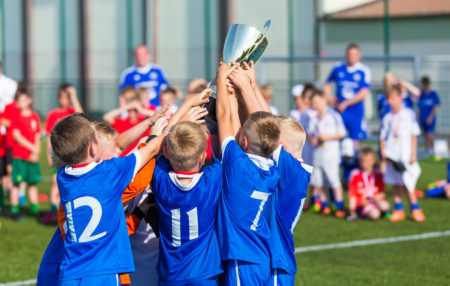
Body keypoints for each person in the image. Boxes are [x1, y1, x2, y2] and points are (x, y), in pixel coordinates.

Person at [37, 116, 167, 286]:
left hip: (70, 273)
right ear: (93, 148)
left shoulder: (64, 177)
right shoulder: (109, 173)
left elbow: (119, 147)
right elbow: (149, 152)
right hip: (103, 271)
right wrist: (157, 134)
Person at [215, 62, 281, 285]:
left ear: (243, 141)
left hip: (242, 259)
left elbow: (223, 116)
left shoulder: (238, 166)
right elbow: (266, 125)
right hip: (261, 256)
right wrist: (245, 87)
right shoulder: (272, 169)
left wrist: (222, 77)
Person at [151, 121, 223, 285]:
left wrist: (156, 135)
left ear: (166, 152)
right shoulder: (210, 181)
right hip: (203, 274)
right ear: (202, 157)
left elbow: (155, 154)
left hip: (171, 274)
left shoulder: (160, 179)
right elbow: (218, 157)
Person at [270, 116, 312, 285]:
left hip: (277, 261)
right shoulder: (294, 170)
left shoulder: (293, 173)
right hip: (277, 259)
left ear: (280, 147)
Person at [380, 85, 425, 223]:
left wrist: (413, 154)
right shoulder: (387, 117)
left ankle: (415, 209)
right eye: (388, 98)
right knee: (395, 183)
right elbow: (383, 136)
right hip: (391, 155)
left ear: (400, 98)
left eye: (393, 98)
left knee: (408, 184)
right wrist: (383, 153)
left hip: (405, 155)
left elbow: (414, 134)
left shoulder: (408, 114)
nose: (390, 101)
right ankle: (399, 209)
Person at [40, 84, 83, 224]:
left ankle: (68, 212)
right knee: (55, 182)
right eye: (63, 97)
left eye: (67, 98)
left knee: (71, 183)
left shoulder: (72, 111)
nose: (65, 101)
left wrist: (74, 97)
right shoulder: (54, 114)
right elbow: (49, 136)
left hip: (71, 154)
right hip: (57, 154)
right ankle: (54, 212)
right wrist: (48, 154)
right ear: (58, 98)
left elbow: (82, 116)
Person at [323, 43, 371, 149]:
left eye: (354, 54)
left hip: (355, 111)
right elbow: (327, 84)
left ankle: (355, 163)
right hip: (339, 110)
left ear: (359, 56)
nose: (351, 57)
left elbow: (364, 92)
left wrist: (347, 103)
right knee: (338, 137)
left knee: (355, 140)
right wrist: (329, 98)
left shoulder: (363, 70)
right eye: (349, 54)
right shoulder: (338, 67)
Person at [309, 90, 346, 218]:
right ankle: (325, 205)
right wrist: (312, 139)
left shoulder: (334, 115)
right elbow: (311, 135)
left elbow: (342, 133)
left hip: (331, 154)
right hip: (317, 153)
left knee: (333, 180)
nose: (316, 105)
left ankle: (340, 206)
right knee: (320, 182)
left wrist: (327, 137)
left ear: (324, 100)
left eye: (318, 101)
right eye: (313, 102)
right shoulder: (313, 118)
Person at [10, 87, 41, 220]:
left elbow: (38, 135)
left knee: (32, 183)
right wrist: (33, 148)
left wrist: (36, 152)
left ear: (29, 100)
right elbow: (17, 136)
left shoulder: (34, 116)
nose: (21, 102)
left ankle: (35, 209)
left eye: (23, 100)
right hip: (19, 156)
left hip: (32, 158)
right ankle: (15, 210)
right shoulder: (15, 117)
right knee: (16, 184)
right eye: (19, 100)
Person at [347, 147, 390, 221]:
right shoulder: (355, 174)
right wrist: (352, 210)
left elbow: (382, 192)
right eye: (363, 161)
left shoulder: (378, 174)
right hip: (363, 204)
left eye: (367, 161)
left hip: (376, 201)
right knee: (375, 215)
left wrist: (376, 198)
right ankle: (365, 213)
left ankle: (383, 212)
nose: (365, 164)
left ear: (373, 161)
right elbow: (352, 194)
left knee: (384, 206)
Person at [288, 83, 316, 165]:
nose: (298, 101)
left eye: (300, 98)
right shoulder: (293, 113)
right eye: (295, 98)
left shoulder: (314, 113)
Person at [418, 76, 440, 155]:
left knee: (430, 134)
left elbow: (435, 106)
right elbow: (419, 107)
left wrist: (430, 117)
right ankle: (427, 151)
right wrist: (419, 118)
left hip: (430, 119)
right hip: (423, 118)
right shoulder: (421, 95)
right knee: (424, 134)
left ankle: (432, 150)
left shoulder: (433, 94)